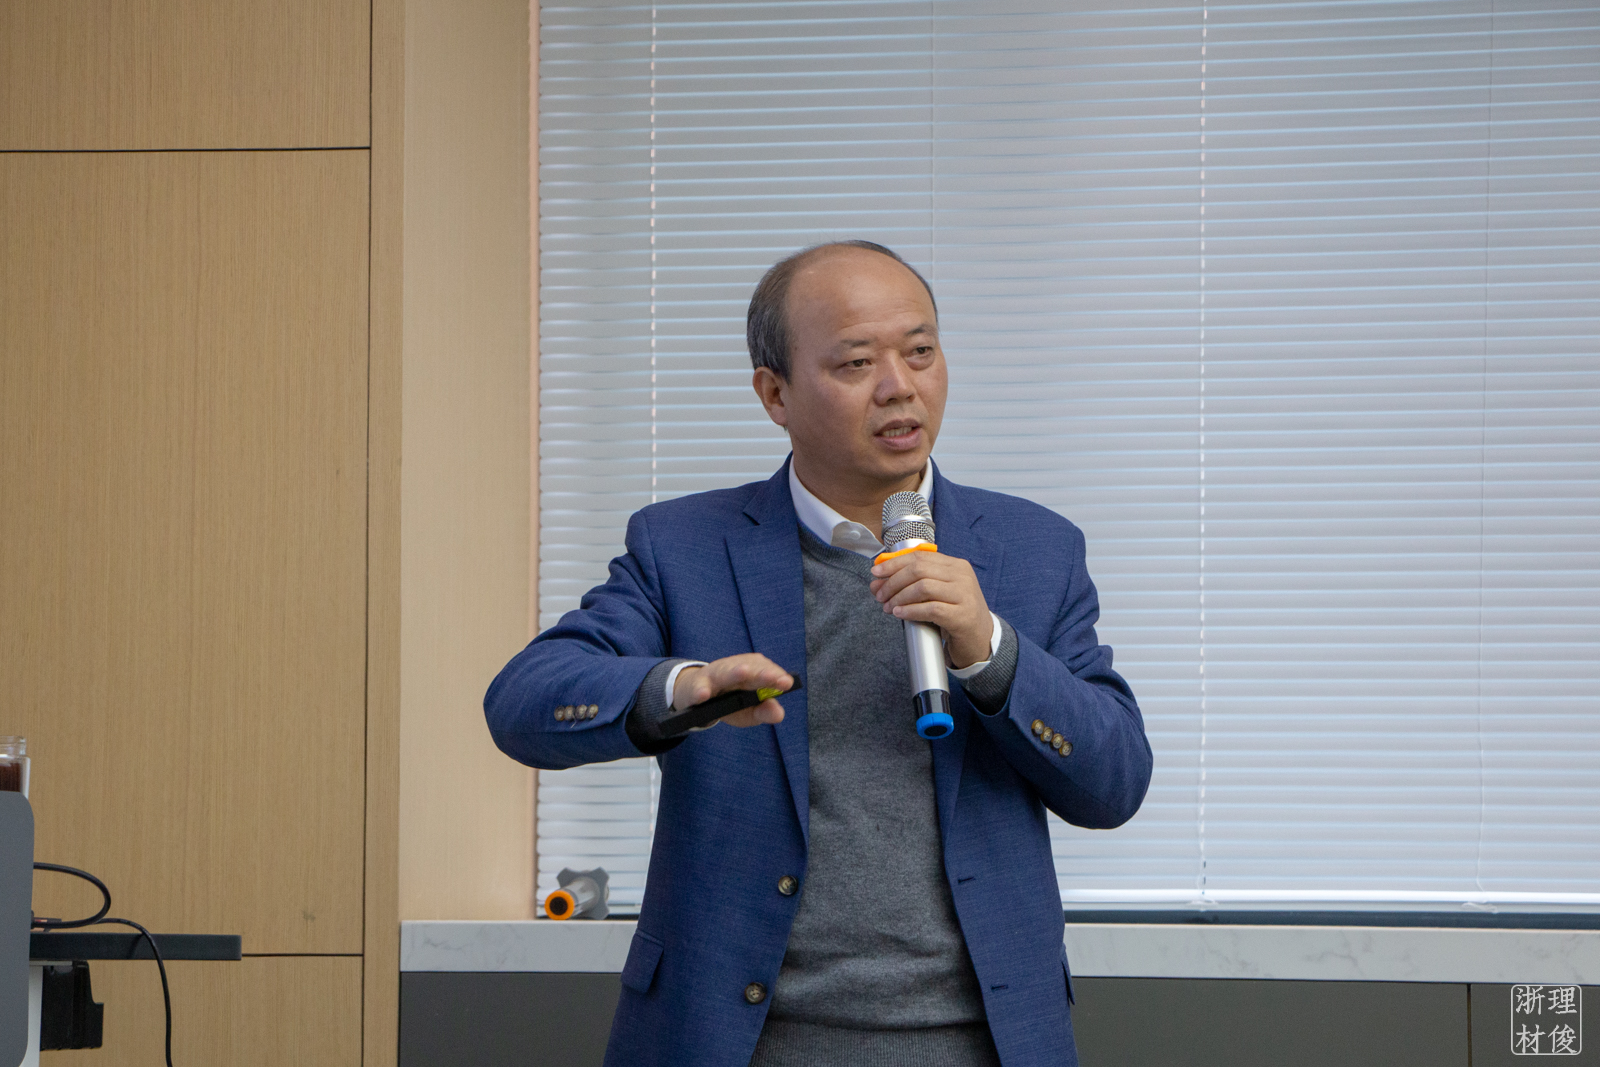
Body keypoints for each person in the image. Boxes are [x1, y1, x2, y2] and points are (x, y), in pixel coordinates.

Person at [485, 241, 1153, 1067]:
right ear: (775, 393)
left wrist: (993, 650)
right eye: (855, 363)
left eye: (920, 351)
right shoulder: (684, 547)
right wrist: (684, 688)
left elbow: (1115, 780)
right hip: (738, 1041)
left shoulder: (1034, 550)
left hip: (977, 1042)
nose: (898, 386)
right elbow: (525, 701)